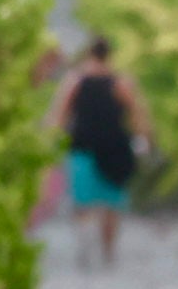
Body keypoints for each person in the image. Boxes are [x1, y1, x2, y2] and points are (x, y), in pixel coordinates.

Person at [47, 34, 149, 267]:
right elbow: (138, 113)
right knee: (111, 204)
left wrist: (51, 140)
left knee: (83, 202)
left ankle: (86, 246)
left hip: (83, 147)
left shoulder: (75, 81)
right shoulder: (120, 82)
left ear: (88, 54)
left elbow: (59, 115)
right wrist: (142, 139)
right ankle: (107, 251)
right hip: (115, 148)